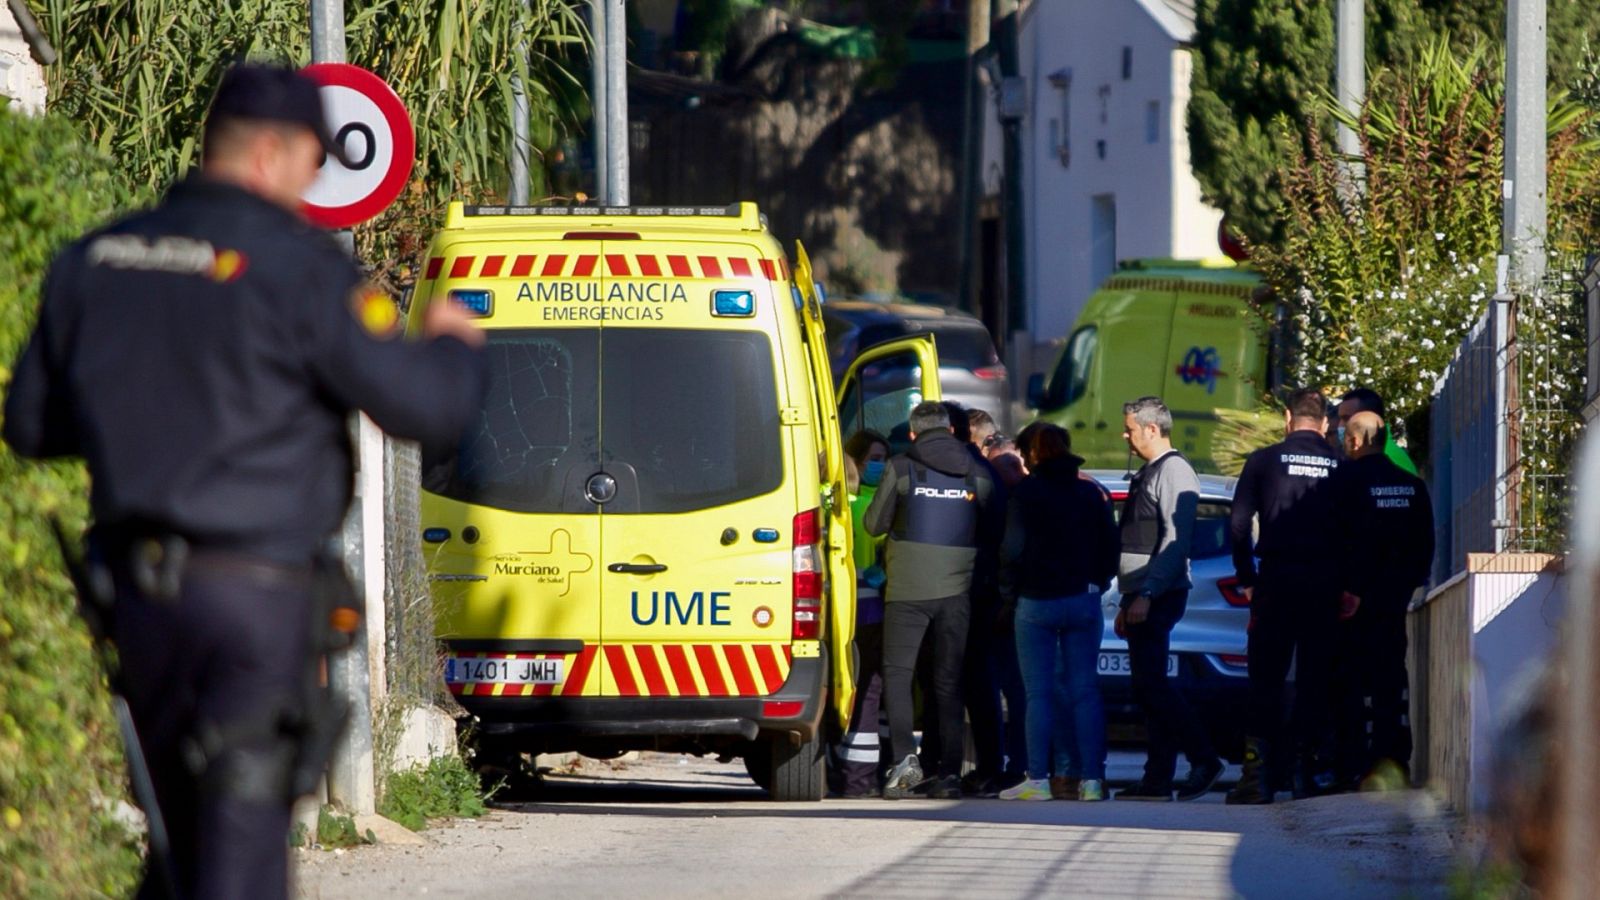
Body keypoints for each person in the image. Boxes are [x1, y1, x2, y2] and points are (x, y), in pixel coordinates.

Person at [3, 63, 488, 898]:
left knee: (176, 842)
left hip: (138, 602)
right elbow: (423, 411)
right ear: (272, 153)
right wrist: (451, 343)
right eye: (312, 159)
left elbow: (33, 429)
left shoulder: (97, 260)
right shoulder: (300, 271)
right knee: (239, 855)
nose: (311, 181)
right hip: (252, 605)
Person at [865, 401, 1000, 799]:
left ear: (912, 434)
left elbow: (874, 524)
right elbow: (994, 531)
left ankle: (905, 761)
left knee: (898, 674)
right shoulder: (978, 471)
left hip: (906, 590)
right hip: (958, 591)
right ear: (951, 430)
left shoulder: (902, 466)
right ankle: (949, 774)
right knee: (949, 681)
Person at [1226, 388, 1342, 804]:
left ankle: (1257, 777)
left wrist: (1247, 577)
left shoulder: (1262, 461)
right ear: (1326, 423)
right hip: (1324, 584)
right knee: (1315, 677)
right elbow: (1354, 532)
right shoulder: (1339, 465)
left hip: (1275, 581)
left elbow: (1238, 526)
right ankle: (1303, 775)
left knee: (1264, 678)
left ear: (1287, 418)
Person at [997, 424, 1119, 802]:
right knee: (1085, 691)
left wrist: (1008, 593)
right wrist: (1094, 581)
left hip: (1036, 602)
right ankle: (1093, 781)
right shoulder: (1090, 492)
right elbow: (1110, 548)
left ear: (1032, 455)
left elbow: (1012, 550)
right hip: (1082, 600)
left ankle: (1038, 779)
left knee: (1039, 693)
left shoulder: (1026, 494)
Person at [1112, 397, 1225, 802]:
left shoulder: (1175, 471)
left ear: (1152, 429)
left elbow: (1175, 543)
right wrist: (1130, 600)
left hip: (1158, 593)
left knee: (1154, 686)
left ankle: (1204, 759)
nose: (1125, 436)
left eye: (1130, 429)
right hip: (1142, 594)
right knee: (1148, 687)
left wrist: (1146, 593)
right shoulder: (1150, 471)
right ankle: (1156, 779)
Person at [1331, 411, 1434, 789]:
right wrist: (1407, 586)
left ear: (1356, 441)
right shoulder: (1411, 485)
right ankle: (1393, 762)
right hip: (1394, 602)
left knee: (1350, 685)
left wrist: (1349, 589)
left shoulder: (1343, 481)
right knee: (1391, 681)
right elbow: (1425, 545)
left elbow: (1341, 542)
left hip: (1351, 604)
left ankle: (1351, 765)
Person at [831, 430, 891, 798]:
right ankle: (866, 776)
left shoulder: (855, 501)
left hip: (865, 611)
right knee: (871, 692)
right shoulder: (864, 505)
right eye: (874, 457)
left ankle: (858, 774)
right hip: (866, 612)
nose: (880, 465)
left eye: (884, 457)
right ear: (856, 459)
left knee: (870, 694)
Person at [1331, 388, 1418, 475]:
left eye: (1347, 418)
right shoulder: (1362, 453)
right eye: (1340, 419)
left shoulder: (1388, 459)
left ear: (1370, 416)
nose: (1340, 425)